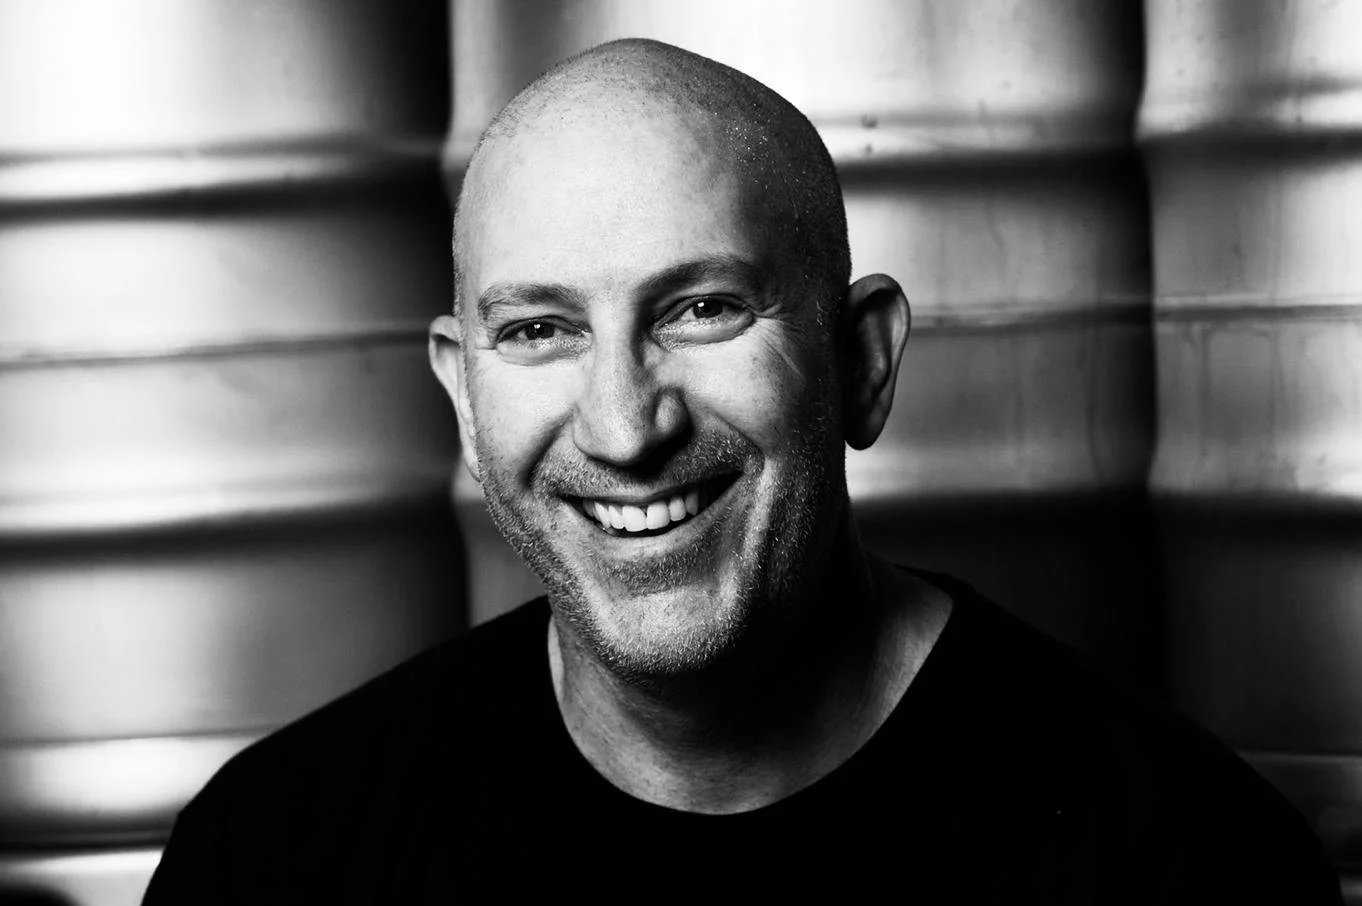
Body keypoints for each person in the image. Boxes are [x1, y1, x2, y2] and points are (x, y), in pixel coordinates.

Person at [144, 39, 1340, 904]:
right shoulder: (280, 861)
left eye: (705, 308)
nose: (622, 427)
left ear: (861, 360)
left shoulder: (1184, 867)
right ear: (463, 395)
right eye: (539, 331)